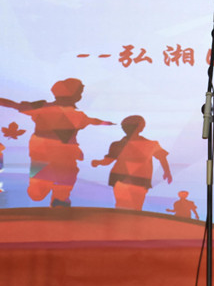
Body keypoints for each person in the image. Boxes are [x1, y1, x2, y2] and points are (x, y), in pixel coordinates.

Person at [0, 78, 114, 207]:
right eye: (79, 93)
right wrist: (104, 123)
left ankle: (60, 201)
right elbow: (14, 105)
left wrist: (105, 123)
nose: (80, 96)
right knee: (37, 193)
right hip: (43, 154)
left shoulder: (75, 114)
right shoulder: (45, 108)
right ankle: (53, 195)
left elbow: (92, 121)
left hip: (63, 155)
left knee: (64, 183)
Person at [91, 115, 172, 211]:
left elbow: (107, 161)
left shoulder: (149, 144)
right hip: (129, 180)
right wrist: (167, 172)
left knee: (127, 206)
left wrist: (98, 162)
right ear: (141, 127)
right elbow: (162, 157)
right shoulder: (150, 144)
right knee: (131, 207)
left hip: (130, 180)